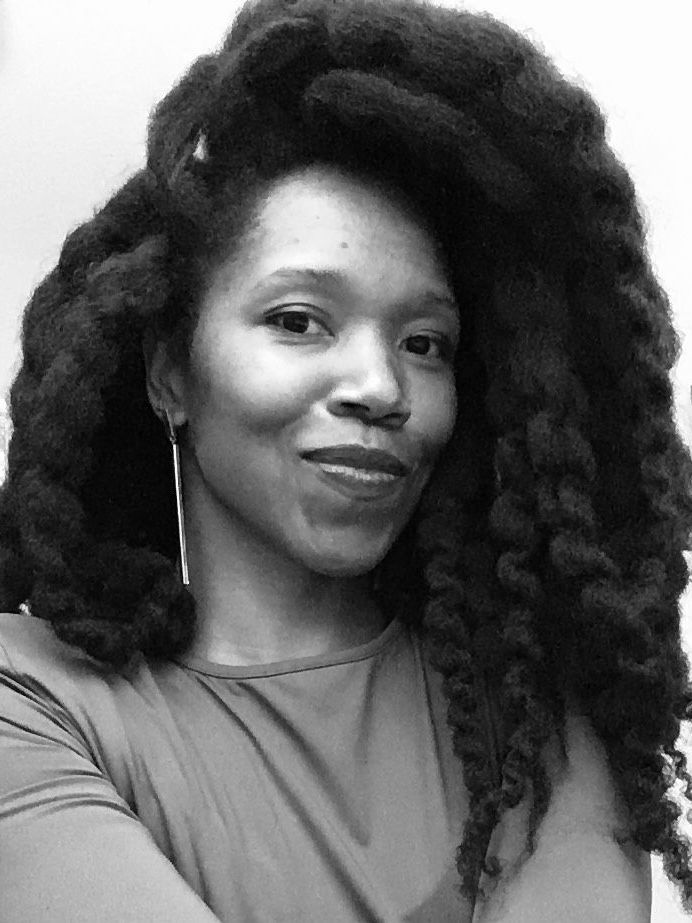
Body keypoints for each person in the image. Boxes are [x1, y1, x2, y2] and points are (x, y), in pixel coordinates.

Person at [0, 0, 690, 919]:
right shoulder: (34, 702)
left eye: (426, 341)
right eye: (298, 320)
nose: (379, 384)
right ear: (170, 371)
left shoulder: (532, 716)